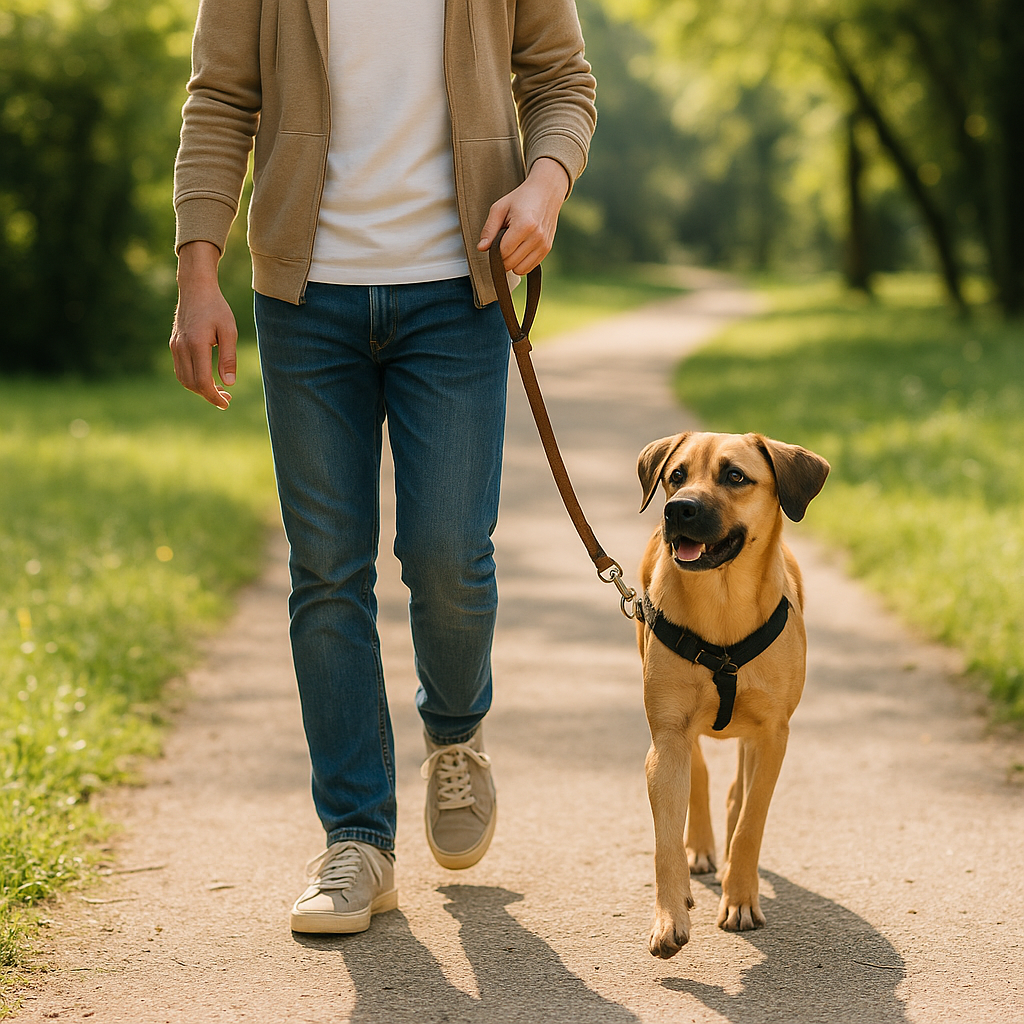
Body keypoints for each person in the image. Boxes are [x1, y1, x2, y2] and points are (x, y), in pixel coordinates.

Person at [169, 0, 596, 935]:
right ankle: (356, 838)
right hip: (304, 294)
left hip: (458, 287)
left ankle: (455, 730)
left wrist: (544, 186)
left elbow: (562, 82)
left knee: (448, 551)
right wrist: (197, 277)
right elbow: (219, 100)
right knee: (327, 568)